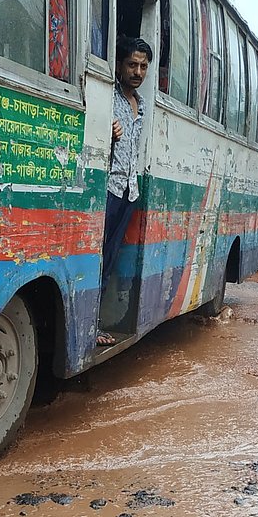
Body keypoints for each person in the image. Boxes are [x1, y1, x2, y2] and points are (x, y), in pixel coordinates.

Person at [98, 35, 151, 346]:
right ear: (119, 65)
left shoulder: (140, 105)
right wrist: (108, 131)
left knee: (110, 258)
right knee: (97, 258)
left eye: (143, 66)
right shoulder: (109, 98)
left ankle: (96, 323)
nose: (138, 72)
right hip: (108, 189)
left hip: (128, 193)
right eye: (132, 64)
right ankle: (89, 326)